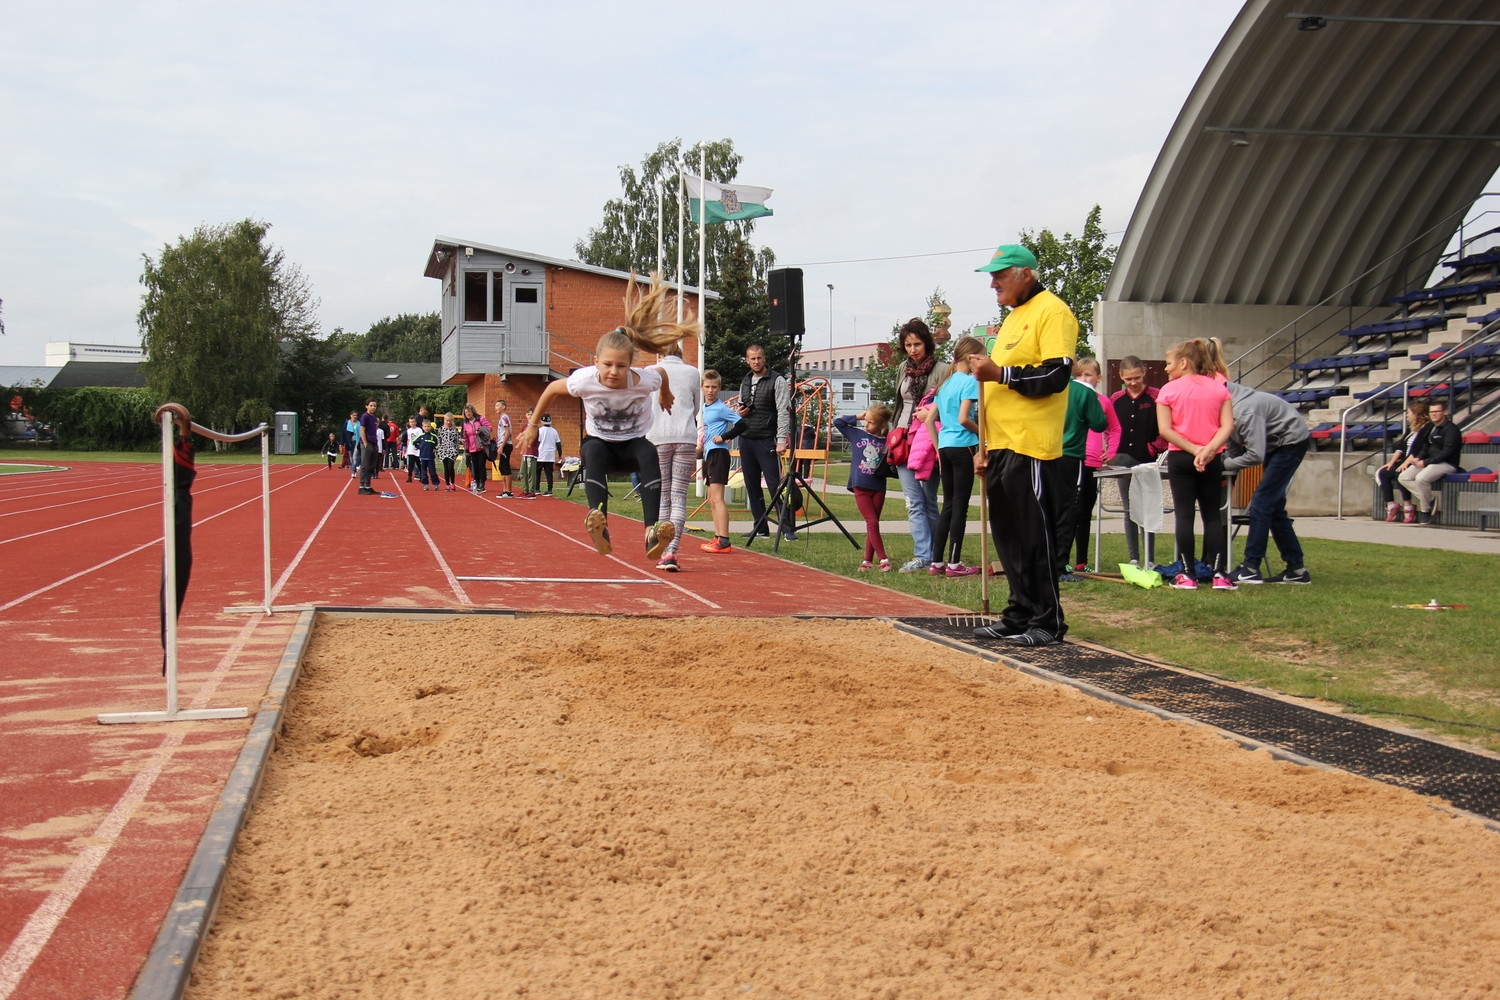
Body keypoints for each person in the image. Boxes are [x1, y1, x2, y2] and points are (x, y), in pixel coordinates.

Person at [517, 273, 691, 562]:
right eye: (607, 365)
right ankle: (600, 525)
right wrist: (533, 425)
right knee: (591, 450)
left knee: (649, 451)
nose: (613, 372)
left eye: (621, 366)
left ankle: (651, 532)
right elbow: (550, 389)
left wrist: (664, 393)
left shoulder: (641, 379)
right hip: (602, 445)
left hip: (632, 448)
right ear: (595, 362)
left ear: (631, 365)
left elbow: (659, 373)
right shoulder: (584, 380)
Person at [967, 244, 1076, 646]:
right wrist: (985, 445)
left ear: (1025, 274)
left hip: (1032, 445)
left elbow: (1056, 375)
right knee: (1009, 537)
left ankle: (1048, 620)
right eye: (991, 276)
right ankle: (1019, 612)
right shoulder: (1013, 319)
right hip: (1002, 444)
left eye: (1000, 274)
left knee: (1034, 536)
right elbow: (995, 386)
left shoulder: (1053, 311)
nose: (993, 283)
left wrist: (1000, 371)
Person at [1156, 339, 1236, 590]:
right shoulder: (1219, 388)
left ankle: (1188, 575)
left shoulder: (1168, 390)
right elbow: (1227, 426)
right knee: (1212, 515)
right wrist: (1208, 451)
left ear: (1183, 362)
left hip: (1182, 457)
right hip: (1211, 459)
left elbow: (1165, 430)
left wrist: (1194, 451)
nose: (1166, 369)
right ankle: (1220, 574)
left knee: (1184, 515)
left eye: (1169, 363)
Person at [1223, 382, 1312, 585]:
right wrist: (1224, 462)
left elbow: (1255, 454)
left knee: (1262, 502)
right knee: (1274, 506)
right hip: (1274, 443)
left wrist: (1228, 463)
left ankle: (1251, 567)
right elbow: (1234, 446)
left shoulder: (1244, 410)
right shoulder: (1225, 410)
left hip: (1290, 441)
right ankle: (1297, 570)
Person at [889, 318, 950, 572]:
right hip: (903, 438)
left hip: (928, 440)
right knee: (913, 501)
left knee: (928, 500)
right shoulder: (903, 368)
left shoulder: (943, 370)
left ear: (927, 343)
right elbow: (899, 403)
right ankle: (921, 554)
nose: (913, 349)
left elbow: (948, 405)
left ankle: (935, 554)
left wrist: (931, 415)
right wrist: (892, 433)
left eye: (917, 344)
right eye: (908, 345)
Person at [924, 335, 983, 577]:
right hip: (963, 447)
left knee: (948, 504)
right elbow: (963, 418)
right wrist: (985, 434)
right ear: (971, 358)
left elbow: (929, 420)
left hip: (946, 447)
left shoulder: (945, 383)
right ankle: (954, 564)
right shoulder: (968, 383)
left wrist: (938, 449)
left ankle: (936, 562)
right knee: (960, 505)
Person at [1052, 358, 1110, 581]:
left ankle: (1045, 560)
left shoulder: (1048, 388)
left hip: (1044, 453)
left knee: (1047, 507)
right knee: (1068, 511)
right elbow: (1099, 423)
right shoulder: (1083, 392)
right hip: (1072, 455)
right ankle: (1059, 565)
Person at [648, 341, 702, 572]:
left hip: (658, 436)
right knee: (679, 495)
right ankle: (671, 552)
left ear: (660, 353)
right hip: (685, 436)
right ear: (680, 352)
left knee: (663, 495)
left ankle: (661, 545)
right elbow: (697, 406)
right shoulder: (692, 372)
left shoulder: (650, 372)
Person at [1109, 357, 1165, 566]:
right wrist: (1112, 451)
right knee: (1129, 509)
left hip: (1147, 462)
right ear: (1121, 377)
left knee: (1147, 509)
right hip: (1123, 461)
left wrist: (1154, 447)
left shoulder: (1156, 397)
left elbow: (1165, 428)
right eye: (1129, 378)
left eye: (1137, 378)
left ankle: (1149, 558)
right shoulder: (1116, 398)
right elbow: (1110, 427)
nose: (1133, 382)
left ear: (1144, 374)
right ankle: (1134, 557)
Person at [737, 344, 794, 540]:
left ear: (764, 358)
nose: (756, 361)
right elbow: (740, 407)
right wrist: (740, 412)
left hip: (766, 439)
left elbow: (783, 412)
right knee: (751, 486)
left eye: (759, 358)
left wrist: (780, 440)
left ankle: (786, 528)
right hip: (746, 439)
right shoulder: (745, 380)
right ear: (747, 360)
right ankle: (760, 527)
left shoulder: (777, 380)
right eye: (752, 359)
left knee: (774, 485)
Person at [1068, 357, 1120, 574]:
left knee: (1084, 513)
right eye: (1079, 375)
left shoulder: (1103, 401)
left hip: (1092, 463)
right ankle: (1061, 559)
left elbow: (1114, 428)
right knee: (1069, 512)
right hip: (1072, 459)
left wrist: (1111, 451)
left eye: (1088, 374)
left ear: (1098, 378)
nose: (1083, 379)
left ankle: (1081, 561)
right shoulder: (1070, 397)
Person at [835, 405, 894, 572]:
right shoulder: (857, 434)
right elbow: (838, 422)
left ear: (881, 424)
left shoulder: (887, 440)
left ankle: (867, 561)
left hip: (878, 486)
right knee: (872, 521)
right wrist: (858, 416)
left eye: (871, 422)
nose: (866, 425)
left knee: (873, 524)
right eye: (866, 421)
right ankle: (883, 560)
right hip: (860, 484)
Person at [698, 369, 746, 555]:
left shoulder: (721, 408)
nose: (710, 390)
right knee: (711, 499)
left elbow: (742, 424)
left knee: (718, 498)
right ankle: (718, 537)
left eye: (714, 387)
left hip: (719, 453)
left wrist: (724, 436)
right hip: (709, 454)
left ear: (719, 388)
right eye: (707, 387)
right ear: (702, 387)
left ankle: (724, 540)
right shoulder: (704, 408)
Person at [1397, 398, 1462, 524]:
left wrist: (1426, 463)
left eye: (1437, 411)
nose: (1434, 414)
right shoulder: (1431, 428)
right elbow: (1426, 446)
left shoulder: (1451, 429)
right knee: (1403, 477)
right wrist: (1418, 458)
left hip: (1447, 463)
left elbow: (1447, 452)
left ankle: (1425, 511)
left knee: (1421, 478)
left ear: (1444, 412)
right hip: (1429, 461)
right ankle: (1430, 499)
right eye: (1432, 412)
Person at [1377, 401, 1429, 522]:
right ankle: (1391, 505)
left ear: (1417, 414)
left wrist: (1406, 463)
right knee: (1384, 472)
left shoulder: (1426, 429)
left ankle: (1408, 505)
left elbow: (1418, 449)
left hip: (1416, 461)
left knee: (1399, 472)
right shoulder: (1410, 429)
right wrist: (1391, 462)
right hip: (1405, 460)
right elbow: (1400, 447)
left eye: (1409, 413)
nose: (1407, 415)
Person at [461, 404, 492, 494]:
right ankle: (477, 482)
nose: (468, 414)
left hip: (482, 446)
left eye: (469, 411)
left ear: (473, 411)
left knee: (481, 465)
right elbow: (465, 437)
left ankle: (482, 484)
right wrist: (466, 449)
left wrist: (480, 430)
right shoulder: (465, 423)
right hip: (472, 447)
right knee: (475, 466)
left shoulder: (480, 419)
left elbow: (490, 428)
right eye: (466, 412)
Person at [357, 398, 381, 495]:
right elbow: (362, 429)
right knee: (365, 465)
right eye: (371, 405)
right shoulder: (365, 416)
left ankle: (368, 485)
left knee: (372, 465)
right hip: (367, 443)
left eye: (374, 406)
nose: (373, 407)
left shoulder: (374, 418)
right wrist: (365, 442)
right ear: (366, 406)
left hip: (374, 442)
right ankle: (361, 486)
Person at [535, 415, 563, 495]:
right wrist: (559, 454)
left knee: (538, 472)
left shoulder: (540, 430)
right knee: (549, 473)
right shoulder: (554, 431)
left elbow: (538, 442)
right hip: (550, 455)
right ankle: (549, 489)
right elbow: (558, 444)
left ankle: (537, 489)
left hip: (541, 454)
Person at [517, 408, 540, 499]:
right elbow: (519, 437)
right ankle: (525, 490)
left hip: (531, 453)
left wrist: (525, 438)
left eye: (532, 414)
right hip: (525, 453)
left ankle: (531, 491)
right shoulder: (525, 426)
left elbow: (531, 439)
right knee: (523, 472)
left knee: (531, 472)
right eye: (528, 414)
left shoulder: (534, 427)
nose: (530, 416)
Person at [494, 400, 515, 497]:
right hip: (503, 444)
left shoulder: (504, 418)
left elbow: (508, 432)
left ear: (504, 407)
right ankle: (504, 490)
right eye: (495, 406)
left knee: (505, 467)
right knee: (502, 467)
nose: (496, 407)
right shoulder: (502, 418)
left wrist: (502, 446)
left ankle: (508, 491)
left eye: (498, 405)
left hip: (506, 445)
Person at [436, 413, 462, 492]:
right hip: (443, 450)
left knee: (451, 467)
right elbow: (439, 440)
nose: (448, 422)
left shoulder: (455, 430)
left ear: (452, 421)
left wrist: (456, 450)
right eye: (447, 421)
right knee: (446, 468)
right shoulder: (440, 429)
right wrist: (438, 450)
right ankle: (447, 484)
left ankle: (453, 483)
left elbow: (457, 441)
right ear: (444, 420)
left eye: (450, 421)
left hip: (452, 450)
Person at [415, 418, 439, 491]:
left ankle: (435, 484)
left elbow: (438, 443)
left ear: (430, 427)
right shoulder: (421, 436)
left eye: (428, 426)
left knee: (432, 472)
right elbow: (414, 442)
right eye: (425, 426)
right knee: (424, 472)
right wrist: (419, 447)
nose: (427, 428)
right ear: (422, 427)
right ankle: (425, 484)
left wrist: (435, 448)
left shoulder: (433, 436)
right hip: (423, 457)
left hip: (431, 457)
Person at [403, 416, 422, 481]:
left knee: (418, 463)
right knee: (411, 464)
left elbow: (421, 438)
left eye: (413, 422)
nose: (412, 423)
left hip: (417, 449)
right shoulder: (408, 430)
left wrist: (419, 447)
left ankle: (421, 475)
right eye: (411, 422)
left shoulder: (419, 430)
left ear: (415, 422)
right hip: (411, 449)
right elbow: (408, 440)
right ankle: (409, 477)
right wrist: (407, 448)